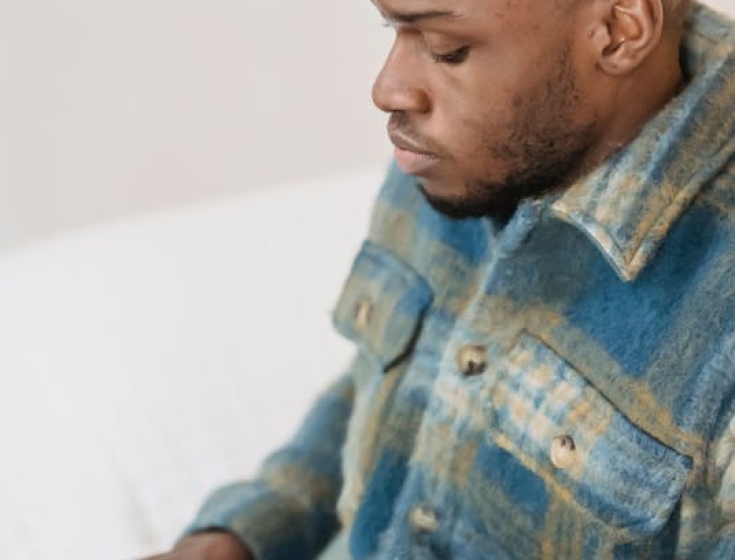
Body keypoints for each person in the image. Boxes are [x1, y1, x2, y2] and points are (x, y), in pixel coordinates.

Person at [141, 0, 735, 557]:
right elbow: (395, 381)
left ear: (619, 30)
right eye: (393, 28)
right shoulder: (463, 150)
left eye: (448, 49)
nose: (388, 90)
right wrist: (247, 532)